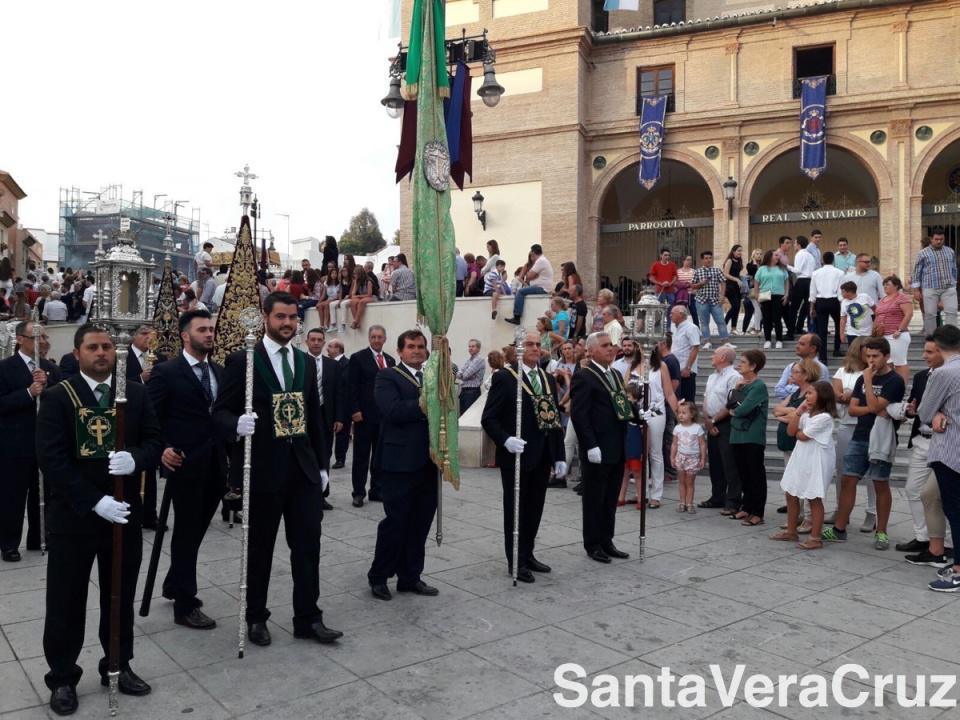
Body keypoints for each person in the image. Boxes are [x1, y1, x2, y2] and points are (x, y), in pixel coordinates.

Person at [38, 323, 162, 715]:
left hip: (123, 514)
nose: (102, 353)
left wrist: (137, 459)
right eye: (93, 347)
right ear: (78, 354)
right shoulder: (60, 397)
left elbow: (156, 442)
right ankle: (61, 677)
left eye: (107, 346)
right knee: (66, 599)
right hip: (74, 516)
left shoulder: (135, 395)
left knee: (120, 595)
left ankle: (118, 664)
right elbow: (51, 459)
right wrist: (94, 501)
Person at [212, 292, 341, 647]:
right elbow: (220, 411)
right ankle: (256, 616)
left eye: (293, 318)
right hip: (263, 471)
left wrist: (322, 464)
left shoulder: (303, 361)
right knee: (260, 549)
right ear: (266, 318)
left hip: (302, 471)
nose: (287, 323)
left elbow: (315, 416)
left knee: (307, 547)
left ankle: (308, 617)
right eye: (281, 317)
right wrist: (236, 423)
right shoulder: (244, 361)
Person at [146, 309, 225, 629]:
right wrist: (162, 448)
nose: (209, 334)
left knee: (195, 530)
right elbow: (149, 417)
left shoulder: (219, 370)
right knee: (187, 530)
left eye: (211, 329)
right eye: (202, 329)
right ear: (185, 335)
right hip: (183, 463)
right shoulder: (166, 372)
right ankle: (185, 602)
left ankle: (174, 581)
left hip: (216, 463)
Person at [481, 331, 565, 583]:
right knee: (516, 509)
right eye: (529, 344)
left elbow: (553, 419)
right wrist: (505, 439)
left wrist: (559, 455)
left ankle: (528, 553)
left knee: (535, 508)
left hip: (542, 455)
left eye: (538, 345)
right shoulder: (506, 378)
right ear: (518, 348)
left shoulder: (548, 379)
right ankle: (515, 560)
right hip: (516, 455)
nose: (535, 348)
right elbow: (489, 418)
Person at [368, 330, 440, 600]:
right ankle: (379, 576)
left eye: (421, 347)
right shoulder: (388, 376)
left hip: (428, 461)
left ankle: (410, 576)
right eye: (411, 347)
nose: (417, 351)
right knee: (396, 522)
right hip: (398, 462)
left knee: (420, 522)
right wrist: (426, 403)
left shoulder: (432, 377)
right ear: (400, 351)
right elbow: (393, 410)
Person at [822, 337, 905, 550]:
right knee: (849, 479)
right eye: (867, 356)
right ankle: (840, 529)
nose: (870, 360)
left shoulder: (894, 380)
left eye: (875, 356)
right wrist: (874, 407)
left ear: (886, 356)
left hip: (880, 438)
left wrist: (869, 383)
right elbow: (853, 410)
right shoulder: (861, 379)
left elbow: (877, 406)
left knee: (880, 483)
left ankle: (882, 532)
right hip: (859, 435)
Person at [0, 321, 61, 561]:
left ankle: (38, 537)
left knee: (42, 493)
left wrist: (48, 385)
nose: (43, 342)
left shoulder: (49, 368)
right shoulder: (5, 368)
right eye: (37, 337)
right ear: (19, 339)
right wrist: (28, 393)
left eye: (45, 337)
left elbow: (62, 399)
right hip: (14, 443)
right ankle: (8, 543)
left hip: (44, 442)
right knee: (12, 496)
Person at [571, 332, 631, 563]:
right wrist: (590, 445)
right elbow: (579, 415)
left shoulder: (615, 374)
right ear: (592, 350)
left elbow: (620, 404)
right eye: (605, 346)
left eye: (611, 345)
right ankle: (593, 543)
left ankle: (607, 539)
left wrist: (635, 415)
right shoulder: (584, 376)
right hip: (597, 447)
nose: (610, 349)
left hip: (616, 444)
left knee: (610, 496)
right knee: (594, 497)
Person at [917, 324, 960, 591]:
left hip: (952, 450)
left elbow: (924, 411)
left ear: (940, 345)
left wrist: (935, 414)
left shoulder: (944, 373)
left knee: (955, 510)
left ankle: (958, 571)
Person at [772, 381, 837, 549]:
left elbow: (802, 436)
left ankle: (815, 537)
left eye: (810, 393)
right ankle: (791, 531)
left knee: (814, 497)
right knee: (791, 492)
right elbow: (791, 432)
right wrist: (798, 413)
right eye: (806, 393)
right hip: (801, 456)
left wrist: (798, 429)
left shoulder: (824, 418)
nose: (806, 396)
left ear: (822, 397)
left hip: (816, 459)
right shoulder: (807, 415)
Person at [897, 335, 943, 556]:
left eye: (930, 352)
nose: (924, 356)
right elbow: (914, 405)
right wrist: (910, 410)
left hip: (944, 443)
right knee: (913, 489)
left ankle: (948, 543)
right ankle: (922, 537)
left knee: (941, 494)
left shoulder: (952, 376)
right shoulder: (922, 376)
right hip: (921, 440)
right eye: (924, 351)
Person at [345, 325, 395, 506]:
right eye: (373, 337)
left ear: (385, 339)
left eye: (379, 337)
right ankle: (358, 492)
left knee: (380, 457)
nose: (376, 340)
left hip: (384, 417)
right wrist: (354, 410)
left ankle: (377, 490)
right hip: (364, 416)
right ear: (369, 338)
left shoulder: (390, 360)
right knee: (361, 456)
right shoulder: (358, 358)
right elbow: (351, 386)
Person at [831, 338, 875, 529]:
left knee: (873, 473)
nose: (869, 356)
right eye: (867, 351)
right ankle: (842, 510)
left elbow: (872, 400)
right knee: (842, 470)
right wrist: (847, 396)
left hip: (869, 426)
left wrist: (851, 396)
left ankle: (872, 512)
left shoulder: (874, 373)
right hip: (846, 424)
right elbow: (836, 394)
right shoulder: (843, 371)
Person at [729, 349, 769, 526]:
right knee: (743, 473)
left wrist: (735, 409)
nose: (739, 364)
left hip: (752, 437)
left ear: (753, 366)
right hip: (737, 435)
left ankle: (757, 512)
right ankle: (746, 506)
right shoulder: (741, 385)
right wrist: (737, 392)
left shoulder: (759, 386)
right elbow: (730, 403)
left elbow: (742, 409)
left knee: (755, 475)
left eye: (743, 362)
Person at [304, 328, 342, 511]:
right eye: (313, 339)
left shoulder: (333, 365)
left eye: (320, 340)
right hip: (305, 417)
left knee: (324, 455)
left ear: (324, 342)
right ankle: (305, 493)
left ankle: (322, 495)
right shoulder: (300, 361)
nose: (316, 343)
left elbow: (339, 393)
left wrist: (339, 418)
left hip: (326, 417)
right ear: (307, 341)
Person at [701, 345, 742, 512]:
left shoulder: (734, 377)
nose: (712, 356)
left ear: (723, 357)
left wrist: (714, 419)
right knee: (716, 462)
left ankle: (733, 500)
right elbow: (706, 399)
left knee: (729, 462)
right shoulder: (712, 376)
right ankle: (717, 496)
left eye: (714, 354)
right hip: (711, 423)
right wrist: (707, 420)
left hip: (726, 422)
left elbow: (731, 403)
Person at [912, 226, 958, 335]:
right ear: (931, 239)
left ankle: (950, 338)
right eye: (936, 239)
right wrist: (916, 290)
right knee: (930, 314)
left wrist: (954, 283)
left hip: (948, 288)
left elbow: (954, 269)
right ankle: (931, 339)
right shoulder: (923, 253)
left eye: (941, 239)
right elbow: (916, 271)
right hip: (930, 287)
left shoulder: (950, 251)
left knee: (952, 312)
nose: (939, 241)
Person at [875, 275, 913, 383]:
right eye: (884, 284)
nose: (885, 286)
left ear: (896, 286)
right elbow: (877, 315)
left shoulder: (902, 298)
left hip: (897, 335)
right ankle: (891, 385)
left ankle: (902, 387)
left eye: (888, 284)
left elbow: (909, 314)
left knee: (899, 363)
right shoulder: (882, 299)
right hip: (883, 335)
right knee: (888, 362)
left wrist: (900, 330)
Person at [809, 251, 845, 361]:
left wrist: (812, 307)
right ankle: (836, 349)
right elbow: (841, 290)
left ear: (823, 260)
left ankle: (823, 356)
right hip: (835, 301)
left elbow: (812, 292)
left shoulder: (816, 273)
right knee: (839, 325)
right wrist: (842, 304)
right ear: (833, 260)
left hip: (820, 302)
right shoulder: (840, 272)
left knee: (822, 330)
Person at [672, 400, 706, 513]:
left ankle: (689, 503)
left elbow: (702, 444)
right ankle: (682, 502)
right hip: (680, 457)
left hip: (693, 458)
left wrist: (702, 458)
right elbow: (674, 444)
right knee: (681, 481)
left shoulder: (697, 428)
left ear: (692, 414)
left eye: (684, 413)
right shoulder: (677, 428)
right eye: (679, 413)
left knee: (690, 482)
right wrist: (672, 457)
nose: (680, 415)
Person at [506, 244, 554, 325]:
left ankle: (517, 317)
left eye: (531, 254)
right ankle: (516, 316)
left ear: (533, 252)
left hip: (542, 288)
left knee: (520, 292)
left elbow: (528, 276)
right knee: (521, 291)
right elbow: (528, 277)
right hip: (543, 287)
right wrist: (534, 276)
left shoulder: (540, 261)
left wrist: (531, 275)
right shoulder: (543, 260)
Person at [691, 251, 729, 348]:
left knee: (720, 321)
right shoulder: (697, 271)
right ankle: (707, 342)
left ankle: (725, 342)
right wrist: (702, 283)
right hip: (701, 300)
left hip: (715, 300)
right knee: (704, 322)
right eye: (706, 258)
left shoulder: (717, 270)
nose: (708, 260)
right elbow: (692, 286)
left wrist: (722, 295)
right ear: (702, 260)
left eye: (710, 258)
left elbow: (723, 282)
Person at [773, 334, 829, 401]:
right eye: (798, 343)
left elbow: (816, 394)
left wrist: (788, 387)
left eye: (802, 344)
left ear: (813, 348)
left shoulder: (820, 368)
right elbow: (778, 390)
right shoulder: (790, 366)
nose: (797, 346)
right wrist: (802, 390)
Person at [754, 249, 788, 349]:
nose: (778, 257)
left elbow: (786, 282)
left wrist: (786, 294)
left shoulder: (782, 268)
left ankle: (779, 340)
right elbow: (756, 282)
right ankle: (767, 340)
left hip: (778, 295)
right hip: (765, 295)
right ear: (769, 256)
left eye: (778, 256)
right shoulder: (762, 269)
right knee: (766, 319)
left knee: (777, 318)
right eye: (775, 255)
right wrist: (757, 295)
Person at [327, 340, 351, 468]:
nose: (327, 349)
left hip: (343, 404)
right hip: (329, 403)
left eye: (330, 347)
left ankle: (340, 458)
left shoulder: (348, 364)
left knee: (342, 433)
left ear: (338, 349)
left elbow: (346, 385)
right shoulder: (328, 363)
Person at [670, 305, 700, 402]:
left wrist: (688, 368)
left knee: (687, 401)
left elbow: (695, 347)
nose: (670, 315)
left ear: (681, 314)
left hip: (685, 371)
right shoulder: (675, 329)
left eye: (672, 313)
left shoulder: (691, 328)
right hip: (676, 371)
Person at [839, 280, 875, 346]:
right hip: (851, 333)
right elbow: (843, 319)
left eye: (843, 292)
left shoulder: (865, 297)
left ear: (849, 292)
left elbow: (875, 309)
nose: (841, 294)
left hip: (867, 332)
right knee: (853, 354)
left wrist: (876, 324)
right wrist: (841, 334)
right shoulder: (844, 302)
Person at [457, 339, 485, 415]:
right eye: (469, 346)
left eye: (473, 346)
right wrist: (462, 374)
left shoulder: (479, 360)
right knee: (462, 415)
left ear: (478, 348)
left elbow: (465, 375)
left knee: (468, 416)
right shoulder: (469, 360)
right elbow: (459, 373)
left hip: (472, 392)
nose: (470, 348)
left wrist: (462, 374)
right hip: (464, 391)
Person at [722, 245, 744, 335]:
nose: (740, 252)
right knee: (735, 306)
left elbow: (737, 273)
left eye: (741, 251)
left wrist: (741, 279)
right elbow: (725, 274)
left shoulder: (739, 261)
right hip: (730, 286)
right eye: (738, 250)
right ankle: (723, 324)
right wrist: (737, 279)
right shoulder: (729, 260)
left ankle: (733, 328)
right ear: (733, 251)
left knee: (737, 307)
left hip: (737, 287)